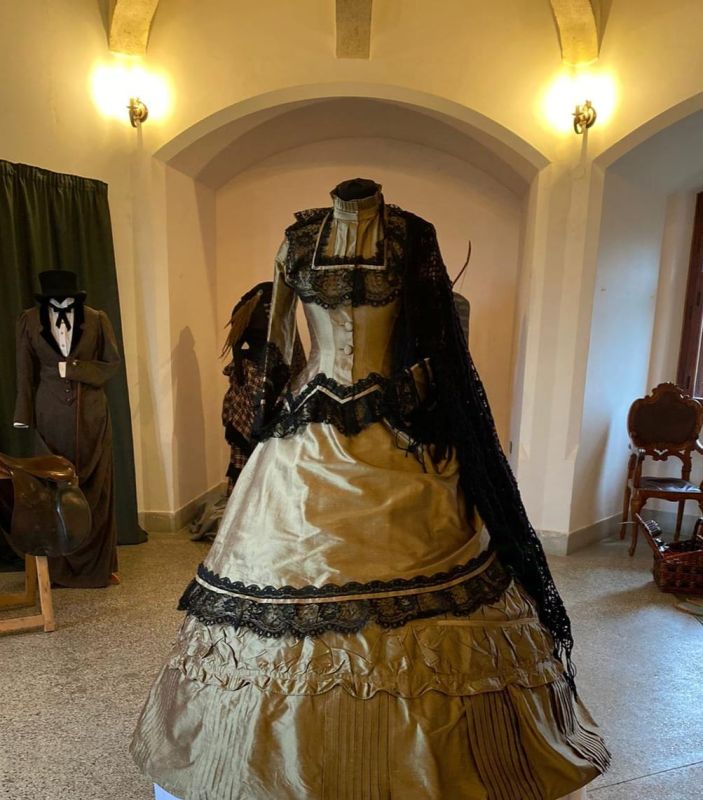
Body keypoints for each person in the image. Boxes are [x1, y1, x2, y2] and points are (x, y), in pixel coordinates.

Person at [132, 180, 609, 799]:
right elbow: (279, 341)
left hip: (397, 434)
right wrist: (253, 434)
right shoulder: (297, 240)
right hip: (304, 438)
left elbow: (438, 339)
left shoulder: (413, 235)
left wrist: (422, 406)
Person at [14, 270, 120, 587]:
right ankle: (58, 570)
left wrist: (73, 368)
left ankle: (97, 567)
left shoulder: (97, 319)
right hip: (49, 414)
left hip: (92, 414)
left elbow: (111, 365)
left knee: (96, 486)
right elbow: (24, 371)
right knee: (53, 489)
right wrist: (23, 414)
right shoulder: (29, 321)